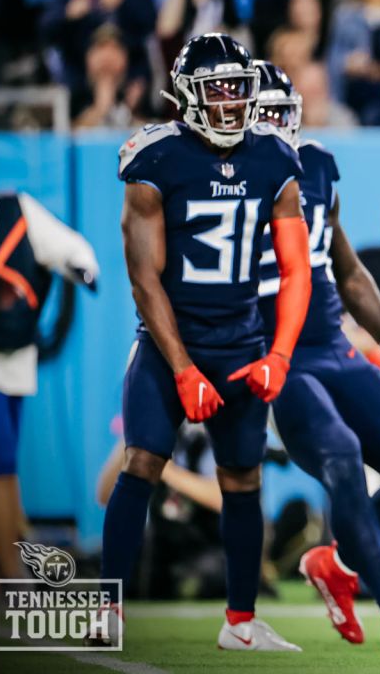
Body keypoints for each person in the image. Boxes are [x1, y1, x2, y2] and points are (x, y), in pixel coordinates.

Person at [101, 32, 310, 651]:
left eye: (238, 89)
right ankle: (107, 609)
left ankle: (240, 623)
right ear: (186, 95)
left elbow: (296, 270)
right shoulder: (155, 158)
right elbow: (144, 279)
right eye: (215, 89)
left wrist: (278, 354)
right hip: (172, 342)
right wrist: (184, 367)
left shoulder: (275, 156)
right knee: (142, 461)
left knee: (243, 479)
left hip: (243, 342)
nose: (228, 102)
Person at [249, 61, 380, 653]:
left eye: (277, 114)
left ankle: (339, 565)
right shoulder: (219, 180)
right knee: (341, 455)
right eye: (259, 114)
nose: (270, 126)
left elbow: (344, 269)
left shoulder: (313, 165)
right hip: (279, 353)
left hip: (333, 347)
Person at [0, 129, 98, 584]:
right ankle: (11, 574)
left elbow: (66, 246)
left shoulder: (15, 209)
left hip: (14, 361)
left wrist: (82, 268)